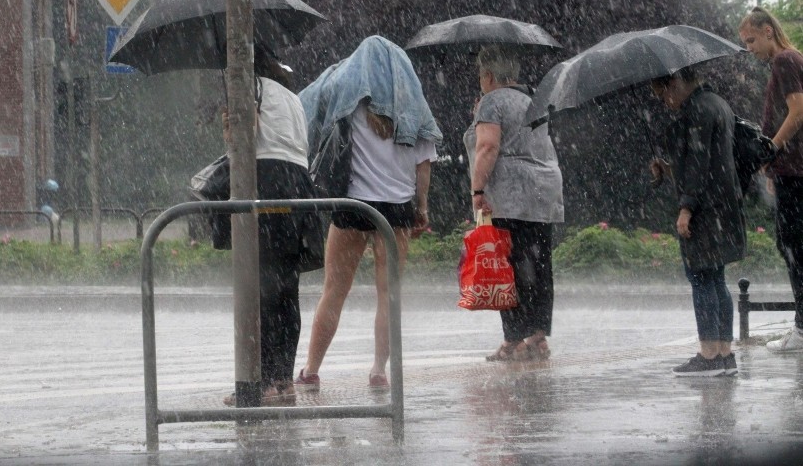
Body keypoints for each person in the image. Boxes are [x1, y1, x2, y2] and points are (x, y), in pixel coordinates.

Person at [295, 36, 442, 390]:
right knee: (388, 294)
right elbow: (424, 166)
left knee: (334, 289)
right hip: (398, 209)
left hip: (354, 205)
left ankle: (312, 369)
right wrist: (421, 208)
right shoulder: (415, 109)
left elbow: (317, 111)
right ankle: (378, 370)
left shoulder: (349, 104)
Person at [217, 43, 321, 405]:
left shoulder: (251, 88)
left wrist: (231, 130)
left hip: (267, 181)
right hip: (298, 187)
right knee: (286, 289)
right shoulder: (291, 97)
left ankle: (259, 382)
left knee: (260, 288)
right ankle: (282, 378)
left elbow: (246, 140)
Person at [464, 44, 564, 362]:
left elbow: (488, 147)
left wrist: (477, 190)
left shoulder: (492, 101)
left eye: (481, 75)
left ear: (489, 76)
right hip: (544, 190)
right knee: (538, 263)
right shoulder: (534, 98)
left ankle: (512, 339)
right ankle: (537, 336)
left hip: (511, 193)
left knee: (509, 267)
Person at [649, 66, 746, 376]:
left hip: (705, 209)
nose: (664, 101)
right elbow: (711, 160)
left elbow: (699, 163)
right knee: (716, 279)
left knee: (701, 277)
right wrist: (668, 167)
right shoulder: (718, 103)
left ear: (676, 82)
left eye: (663, 93)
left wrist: (687, 207)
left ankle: (708, 355)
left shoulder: (697, 111)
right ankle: (724, 354)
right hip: (724, 202)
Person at [739, 7, 803, 353]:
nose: (749, 48)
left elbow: (798, 111)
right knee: (793, 247)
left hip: (796, 172)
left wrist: (770, 151)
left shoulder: (784, 61)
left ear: (767, 31)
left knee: (794, 248)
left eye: (751, 40)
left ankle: (802, 331)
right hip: (790, 171)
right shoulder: (791, 61)